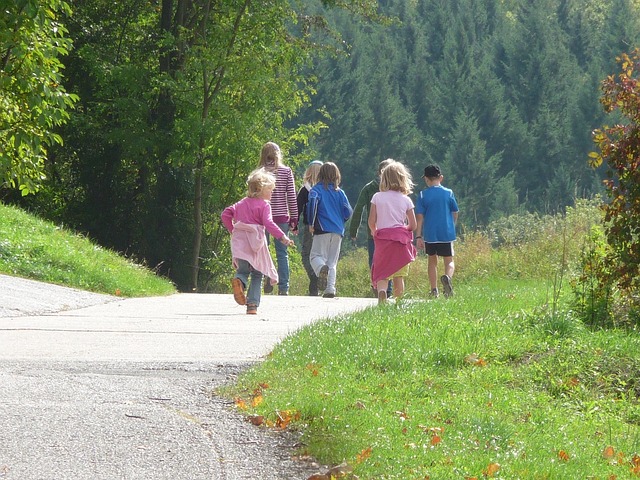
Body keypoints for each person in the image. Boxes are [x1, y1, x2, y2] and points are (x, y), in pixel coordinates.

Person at [221, 168, 294, 315]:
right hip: (256, 244)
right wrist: (282, 237)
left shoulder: (241, 203)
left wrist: (233, 230)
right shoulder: (264, 205)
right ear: (261, 189)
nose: (272, 194)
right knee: (257, 273)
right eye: (271, 190)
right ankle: (252, 305)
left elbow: (225, 214)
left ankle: (239, 283)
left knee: (242, 271)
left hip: (240, 243)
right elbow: (268, 223)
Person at [368, 160, 417, 304]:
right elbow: (413, 225)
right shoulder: (406, 200)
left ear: (384, 179)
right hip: (400, 241)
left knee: (382, 273)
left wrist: (374, 231)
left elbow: (371, 220)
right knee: (399, 275)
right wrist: (404, 230)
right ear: (403, 178)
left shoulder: (377, 197)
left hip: (383, 240)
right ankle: (399, 301)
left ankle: (382, 292)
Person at [307, 162, 353, 298]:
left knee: (315, 256)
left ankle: (321, 269)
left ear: (320, 174)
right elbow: (348, 211)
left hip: (322, 228)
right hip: (338, 230)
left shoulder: (316, 190)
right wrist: (341, 221)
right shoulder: (341, 192)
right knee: (332, 261)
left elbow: (312, 206)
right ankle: (330, 289)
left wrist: (311, 222)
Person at [349, 159, 394, 297]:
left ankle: (379, 287)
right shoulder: (396, 189)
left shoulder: (369, 187)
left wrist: (353, 230)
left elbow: (358, 209)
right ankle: (387, 290)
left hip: (373, 232)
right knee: (390, 260)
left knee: (375, 261)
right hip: (391, 233)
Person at [258, 142, 298, 296]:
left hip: (262, 217)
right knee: (282, 253)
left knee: (263, 250)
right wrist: (294, 219)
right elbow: (291, 197)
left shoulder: (259, 172)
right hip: (281, 217)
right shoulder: (286, 171)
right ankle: (284, 287)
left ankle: (266, 278)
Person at [415, 164, 459, 298]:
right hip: (446, 232)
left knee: (432, 261)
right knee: (449, 260)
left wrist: (418, 236)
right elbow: (455, 211)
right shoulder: (449, 192)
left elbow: (420, 217)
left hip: (430, 234)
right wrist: (452, 225)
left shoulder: (423, 195)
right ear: (441, 178)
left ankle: (434, 290)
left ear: (426, 179)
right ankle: (447, 278)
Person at [296, 160, 323, 296]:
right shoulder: (327, 189)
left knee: (306, 255)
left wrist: (294, 225)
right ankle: (320, 281)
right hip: (325, 227)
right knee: (321, 255)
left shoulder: (305, 190)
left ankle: (314, 278)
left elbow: (297, 209)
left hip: (309, 226)